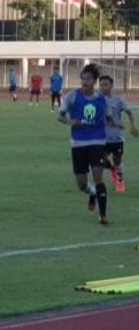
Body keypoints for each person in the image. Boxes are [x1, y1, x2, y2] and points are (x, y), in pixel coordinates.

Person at [58, 63, 115, 225]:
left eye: (88, 79)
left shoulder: (102, 100)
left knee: (98, 175)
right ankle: (91, 194)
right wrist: (70, 122)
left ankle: (103, 215)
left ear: (94, 81)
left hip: (97, 140)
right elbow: (60, 116)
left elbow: (108, 118)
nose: (84, 82)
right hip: (78, 143)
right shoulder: (72, 96)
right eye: (83, 79)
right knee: (82, 184)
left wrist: (115, 124)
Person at [99, 75, 138, 193]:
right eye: (101, 85)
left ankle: (120, 181)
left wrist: (132, 126)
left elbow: (129, 112)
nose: (103, 87)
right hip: (101, 137)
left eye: (106, 84)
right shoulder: (97, 100)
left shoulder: (118, 100)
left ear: (111, 86)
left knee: (118, 161)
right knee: (100, 160)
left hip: (116, 137)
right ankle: (112, 169)